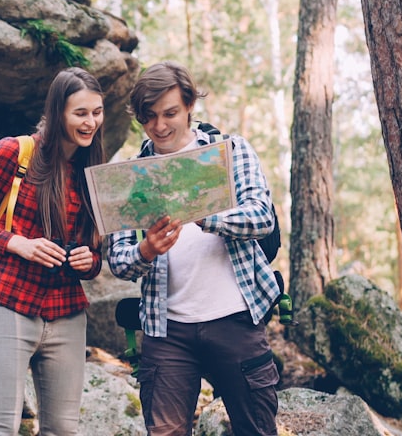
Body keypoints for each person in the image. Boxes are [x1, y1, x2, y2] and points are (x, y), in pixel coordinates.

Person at [106, 61, 281, 436]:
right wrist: (146, 251)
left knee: (256, 429)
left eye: (170, 113)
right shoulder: (129, 174)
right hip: (165, 328)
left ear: (189, 105)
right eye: (149, 117)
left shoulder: (230, 150)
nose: (160, 125)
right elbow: (119, 261)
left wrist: (205, 216)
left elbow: (262, 216)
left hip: (236, 318)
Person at [0, 67, 106, 436]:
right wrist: (17, 243)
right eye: (81, 113)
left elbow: (96, 253)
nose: (91, 123)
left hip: (66, 312)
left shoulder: (95, 171)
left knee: (62, 430)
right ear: (58, 113)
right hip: (8, 302)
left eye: (97, 112)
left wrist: (90, 261)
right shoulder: (15, 152)